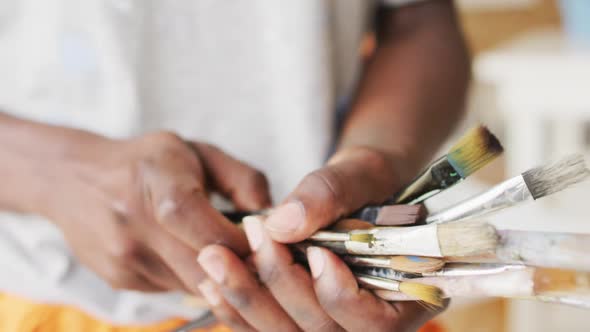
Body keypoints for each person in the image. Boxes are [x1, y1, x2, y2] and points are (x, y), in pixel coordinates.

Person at [0, 0, 469, 331]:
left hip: (338, 309)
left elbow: (418, 18)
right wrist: (56, 172)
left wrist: (375, 158)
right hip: (44, 303)